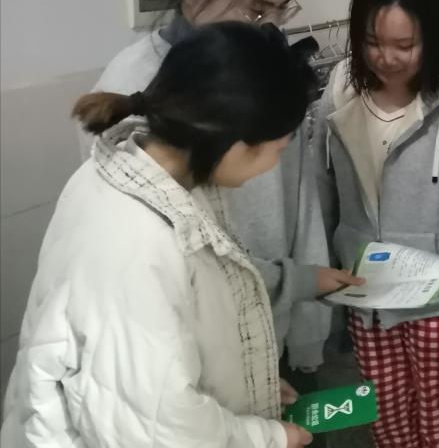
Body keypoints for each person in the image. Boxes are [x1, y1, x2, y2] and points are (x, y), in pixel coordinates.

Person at [1, 23, 322, 447]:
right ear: (234, 143)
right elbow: (157, 430)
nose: (273, 167)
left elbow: (172, 353)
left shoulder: (155, 177)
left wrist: (247, 385)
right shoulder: (134, 244)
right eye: (279, 150)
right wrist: (268, 437)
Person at [81, 0, 356, 373]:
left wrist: (308, 330)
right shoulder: (131, 87)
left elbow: (300, 198)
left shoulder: (268, 65)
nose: (270, 28)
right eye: (256, 11)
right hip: (189, 359)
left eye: (282, 9)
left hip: (272, 323)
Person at [313, 0, 439, 448]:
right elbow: (322, 195)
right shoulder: (341, 89)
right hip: (367, 297)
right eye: (373, 42)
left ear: (431, 38)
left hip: (435, 304)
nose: (387, 58)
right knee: (387, 424)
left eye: (405, 45)